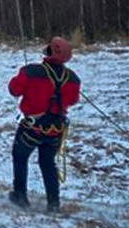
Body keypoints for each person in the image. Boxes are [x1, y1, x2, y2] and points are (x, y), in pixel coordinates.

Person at [7, 36, 81, 212]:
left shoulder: (31, 72)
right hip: (56, 129)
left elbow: (14, 90)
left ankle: (20, 196)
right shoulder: (73, 78)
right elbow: (73, 100)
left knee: (20, 157)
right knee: (48, 163)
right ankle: (53, 204)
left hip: (32, 127)